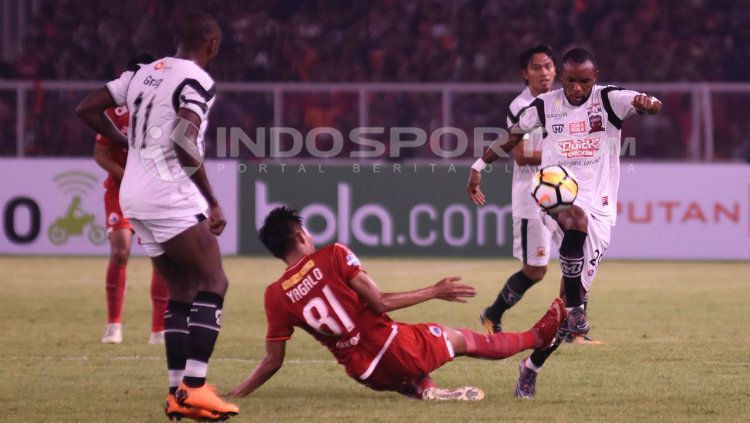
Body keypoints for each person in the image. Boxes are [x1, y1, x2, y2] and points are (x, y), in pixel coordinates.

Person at [466, 47, 662, 398]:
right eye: (569, 80)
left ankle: (532, 365)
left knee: (566, 295)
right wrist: (478, 167)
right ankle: (576, 310)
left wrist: (650, 105)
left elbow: (647, 102)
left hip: (601, 208)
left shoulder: (610, 101)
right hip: (555, 193)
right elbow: (512, 135)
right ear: (562, 78)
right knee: (575, 219)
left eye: (583, 81)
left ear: (595, 77)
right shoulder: (545, 105)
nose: (575, 88)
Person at [76, 11, 239, 421]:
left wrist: (125, 140)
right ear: (213, 45)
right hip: (170, 193)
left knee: (181, 291)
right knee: (213, 281)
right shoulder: (197, 80)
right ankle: (196, 388)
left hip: (133, 193)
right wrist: (212, 200)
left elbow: (87, 107)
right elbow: (185, 140)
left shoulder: (143, 73)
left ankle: (175, 393)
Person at [227, 207, 566, 401]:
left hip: (366, 373)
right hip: (394, 348)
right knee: (471, 341)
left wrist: (234, 394)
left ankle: (423, 389)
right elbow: (380, 301)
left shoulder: (275, 295)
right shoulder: (333, 255)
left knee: (409, 363)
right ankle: (538, 338)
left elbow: (273, 361)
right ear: (301, 235)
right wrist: (433, 290)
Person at [479, 43, 556, 335]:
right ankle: (492, 313)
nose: (544, 73)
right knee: (536, 271)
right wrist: (563, 153)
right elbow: (521, 154)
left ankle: (575, 329)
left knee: (580, 257)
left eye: (548, 66)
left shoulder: (563, 102)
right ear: (525, 73)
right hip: (532, 198)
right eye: (536, 67)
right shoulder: (519, 106)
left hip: (564, 194)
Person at [94, 54, 169, 346]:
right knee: (121, 251)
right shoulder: (115, 110)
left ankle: (158, 330)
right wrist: (129, 176)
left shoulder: (164, 109)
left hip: (152, 190)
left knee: (160, 256)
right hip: (120, 189)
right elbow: (100, 155)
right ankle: (114, 325)